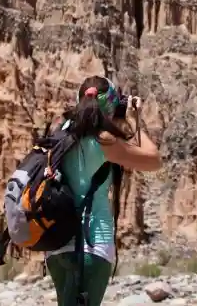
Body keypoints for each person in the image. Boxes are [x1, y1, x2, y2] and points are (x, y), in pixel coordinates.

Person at [44, 75, 162, 306]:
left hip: (56, 249)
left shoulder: (61, 132)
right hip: (91, 246)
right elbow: (154, 160)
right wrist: (133, 119)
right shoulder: (102, 140)